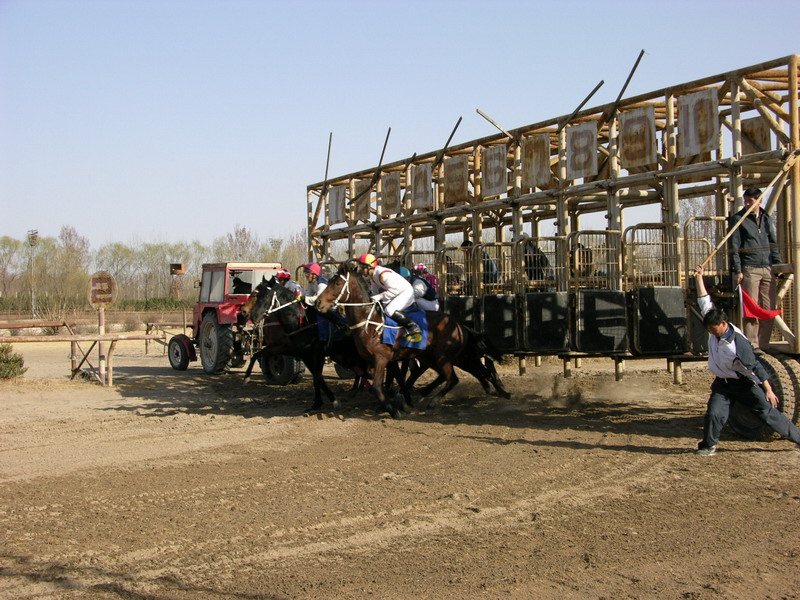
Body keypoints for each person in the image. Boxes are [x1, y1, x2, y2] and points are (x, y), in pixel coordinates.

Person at [693, 264, 800, 456]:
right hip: (723, 383)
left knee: (767, 413)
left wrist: (768, 390)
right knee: (714, 414)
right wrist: (699, 277)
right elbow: (703, 300)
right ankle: (709, 446)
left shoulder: (738, 343)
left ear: (723, 324)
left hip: (743, 383)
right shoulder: (714, 322)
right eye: (709, 329)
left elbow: (755, 366)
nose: (711, 333)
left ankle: (798, 439)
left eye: (713, 330)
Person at [729, 187, 783, 350]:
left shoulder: (766, 218)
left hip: (767, 267)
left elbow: (772, 242)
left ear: (759, 201)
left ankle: (764, 345)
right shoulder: (738, 219)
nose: (747, 204)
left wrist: (777, 264)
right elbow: (734, 246)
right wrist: (738, 269)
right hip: (749, 268)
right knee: (751, 308)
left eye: (750, 201)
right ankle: (753, 345)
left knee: (768, 308)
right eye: (745, 201)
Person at [356, 253, 422, 342]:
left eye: (362, 268)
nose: (360, 270)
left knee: (389, 310)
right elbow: (374, 290)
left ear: (369, 267)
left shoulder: (383, 275)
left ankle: (413, 326)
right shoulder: (373, 275)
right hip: (397, 293)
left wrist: (379, 297)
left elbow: (395, 290)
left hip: (405, 293)